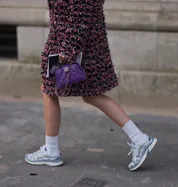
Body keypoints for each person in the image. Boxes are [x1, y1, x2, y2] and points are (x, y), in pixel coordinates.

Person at [24, 0, 157, 171]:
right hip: (83, 45)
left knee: (49, 90)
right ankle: (139, 139)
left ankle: (51, 151)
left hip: (72, 47)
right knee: (91, 95)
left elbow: (79, 17)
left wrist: (67, 49)